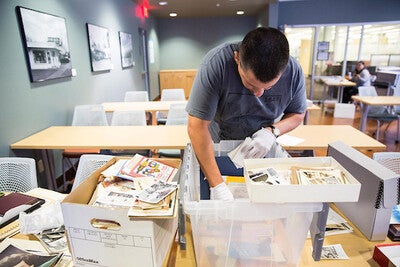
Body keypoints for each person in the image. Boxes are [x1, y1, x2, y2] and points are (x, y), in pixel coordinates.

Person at [186, 27, 307, 200]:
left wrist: (272, 132)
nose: (258, 94)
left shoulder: (293, 71)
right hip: (217, 147)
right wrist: (218, 186)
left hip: (260, 147)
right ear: (237, 59)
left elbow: (297, 114)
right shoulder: (216, 64)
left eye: (268, 88)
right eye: (250, 84)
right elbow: (196, 126)